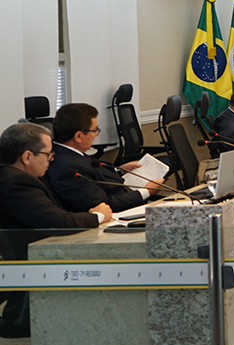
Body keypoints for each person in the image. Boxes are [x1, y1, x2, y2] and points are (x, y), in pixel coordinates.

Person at [0, 123, 112, 331]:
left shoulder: (13, 177)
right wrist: (97, 216)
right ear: (27, 157)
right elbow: (59, 223)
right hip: (35, 279)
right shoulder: (16, 184)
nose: (51, 160)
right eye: (48, 154)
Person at [45, 103, 160, 213]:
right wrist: (146, 191)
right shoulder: (67, 167)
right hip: (117, 218)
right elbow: (103, 205)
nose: (96, 134)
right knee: (173, 224)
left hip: (129, 208)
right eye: (95, 130)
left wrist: (120, 171)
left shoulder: (69, 153)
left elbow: (92, 174)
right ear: (79, 136)